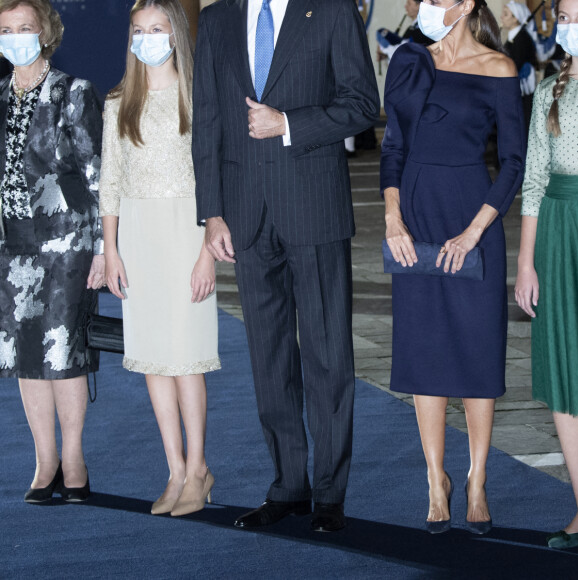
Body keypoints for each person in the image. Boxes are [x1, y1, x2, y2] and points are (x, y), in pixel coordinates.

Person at [193, 0, 379, 532]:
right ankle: (288, 485)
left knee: (327, 356)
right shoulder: (217, 19)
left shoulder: (331, 11)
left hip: (314, 207)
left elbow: (363, 102)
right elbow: (206, 117)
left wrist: (289, 124)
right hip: (245, 216)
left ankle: (328, 495)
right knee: (268, 357)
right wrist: (211, 212)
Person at [381, 0, 525, 534]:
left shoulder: (498, 68)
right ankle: (434, 480)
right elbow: (393, 144)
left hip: (473, 217)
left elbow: (513, 160)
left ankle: (477, 480)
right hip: (415, 214)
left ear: (465, 5)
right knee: (424, 348)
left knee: (476, 349)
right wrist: (393, 219)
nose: (423, 7)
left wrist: (474, 231)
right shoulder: (409, 59)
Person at [100, 0, 220, 517]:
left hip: (186, 232)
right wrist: (111, 251)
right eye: (138, 29)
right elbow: (110, 182)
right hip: (139, 236)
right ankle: (173, 469)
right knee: (153, 360)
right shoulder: (118, 102)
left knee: (186, 358)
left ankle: (198, 468)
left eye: (156, 28)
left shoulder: (199, 95)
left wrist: (206, 255)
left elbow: (213, 178)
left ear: (176, 34)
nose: (146, 37)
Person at [0, 0, 104, 503]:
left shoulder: (73, 92)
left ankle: (75, 457)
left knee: (64, 350)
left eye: (24, 27)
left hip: (67, 244)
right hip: (10, 245)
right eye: (6, 29)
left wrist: (106, 248)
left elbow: (99, 178)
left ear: (45, 32)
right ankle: (45, 462)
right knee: (24, 355)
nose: (15, 36)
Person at [515, 0, 578, 551]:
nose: (569, 27)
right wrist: (525, 262)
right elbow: (533, 180)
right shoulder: (547, 92)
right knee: (564, 364)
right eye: (564, 16)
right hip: (559, 232)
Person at [501, 1, 538, 128]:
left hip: (522, 91)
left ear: (515, 18)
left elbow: (514, 65)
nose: (501, 17)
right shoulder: (513, 37)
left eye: (505, 14)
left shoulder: (522, 39)